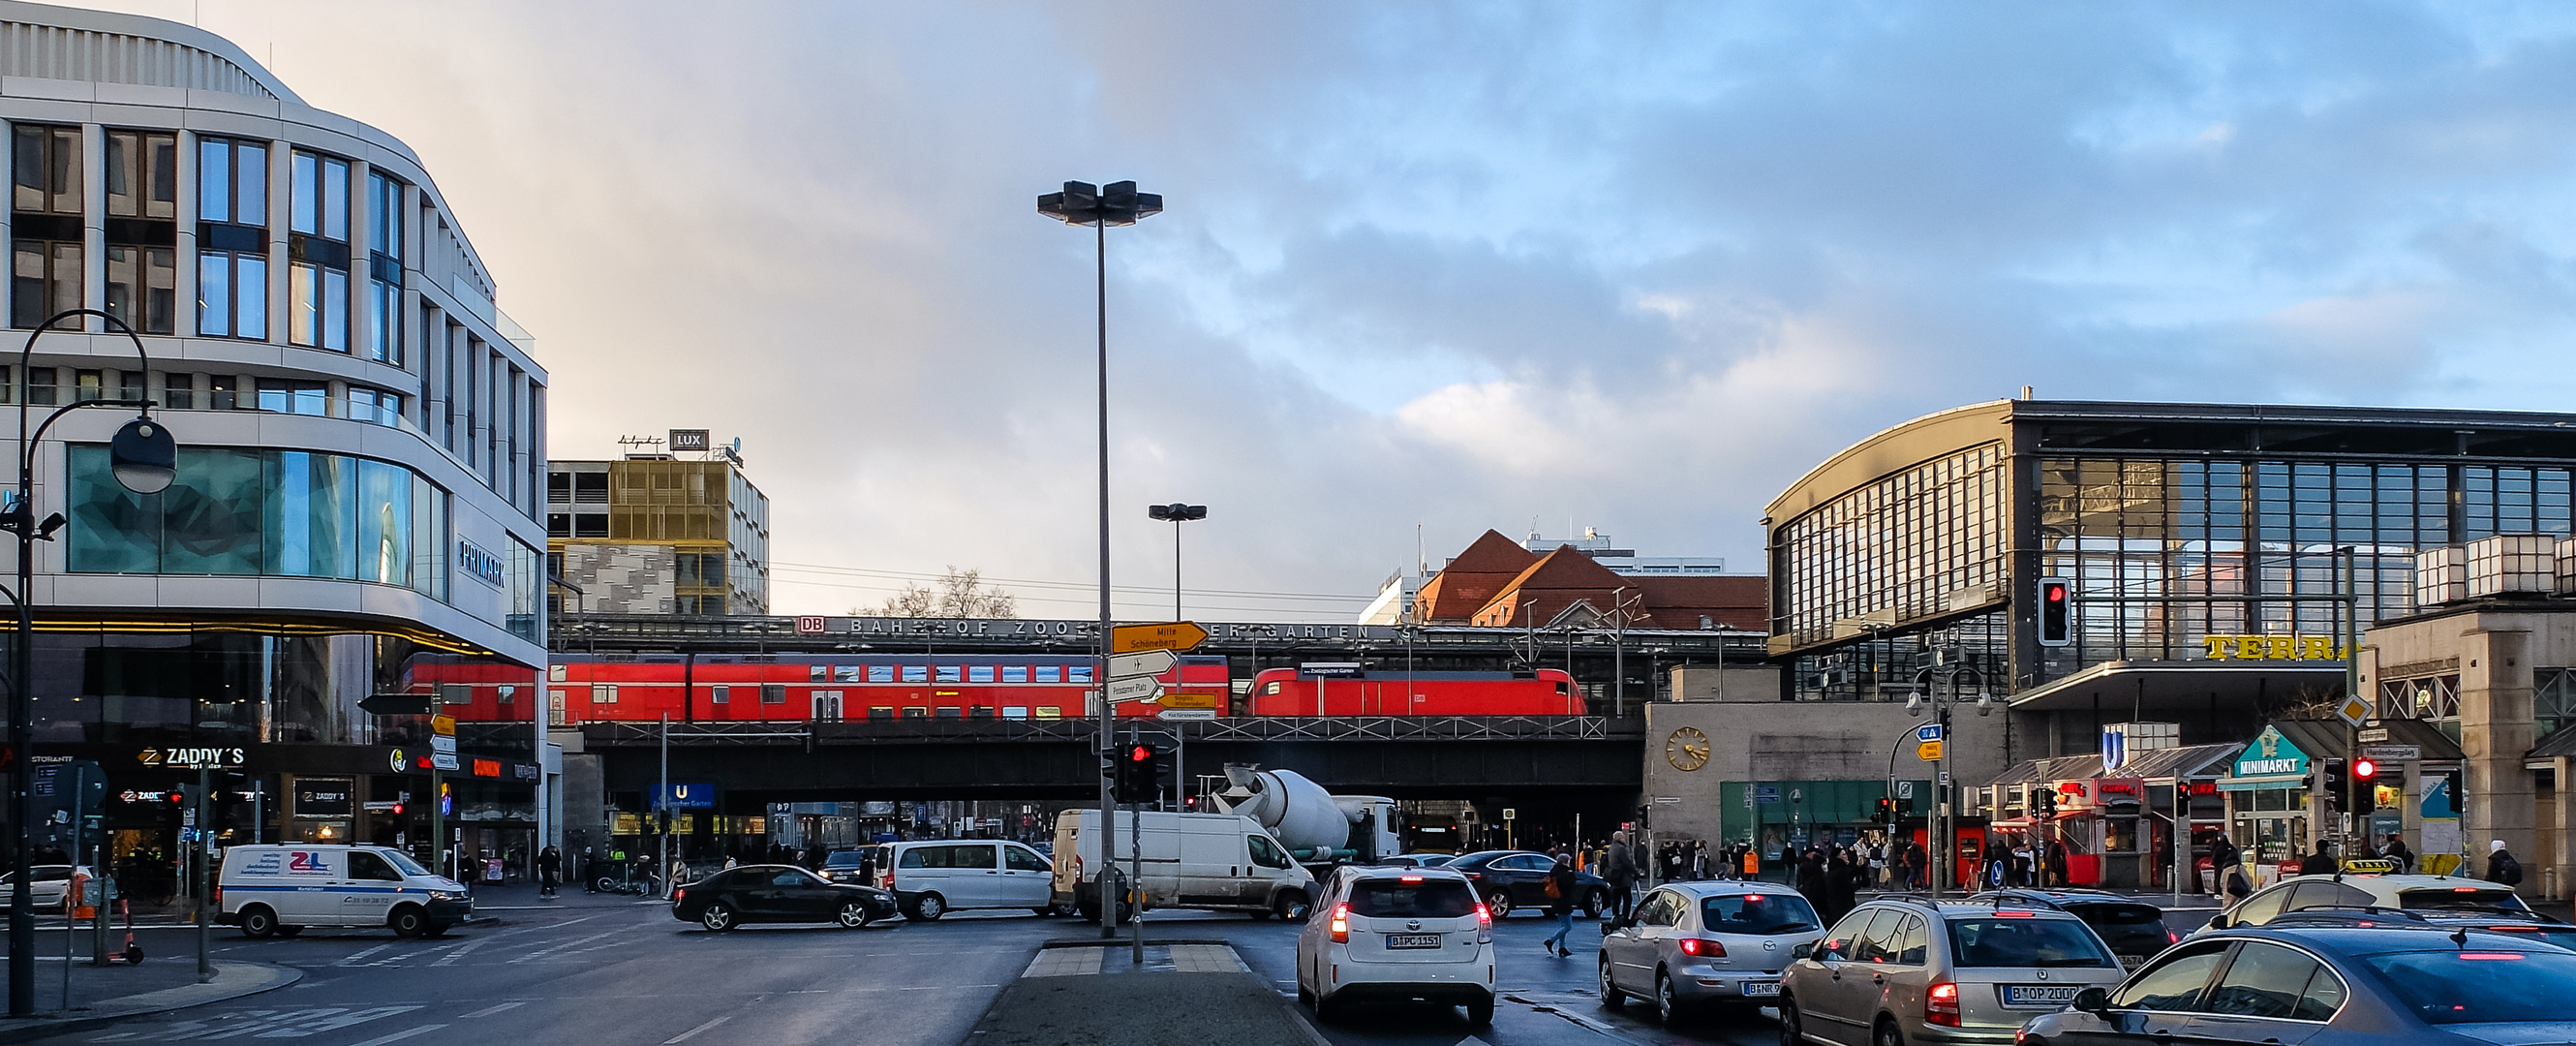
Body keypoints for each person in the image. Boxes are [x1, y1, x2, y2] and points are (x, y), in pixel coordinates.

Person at [1541, 853, 1579, 958]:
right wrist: (1572, 875)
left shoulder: (1554, 871)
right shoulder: (1565, 873)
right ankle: (1551, 940)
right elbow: (1569, 885)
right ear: (1565, 861)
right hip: (1564, 901)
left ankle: (1562, 948)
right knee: (1567, 926)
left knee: (1563, 925)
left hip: (1556, 900)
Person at [1605, 831, 1639, 920]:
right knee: (1627, 899)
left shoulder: (1612, 848)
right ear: (1619, 838)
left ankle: (1615, 916)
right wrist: (1636, 873)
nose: (1625, 839)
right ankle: (1625, 917)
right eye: (1623, 837)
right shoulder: (1621, 848)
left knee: (1616, 900)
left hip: (1614, 876)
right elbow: (1628, 863)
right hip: (1623, 878)